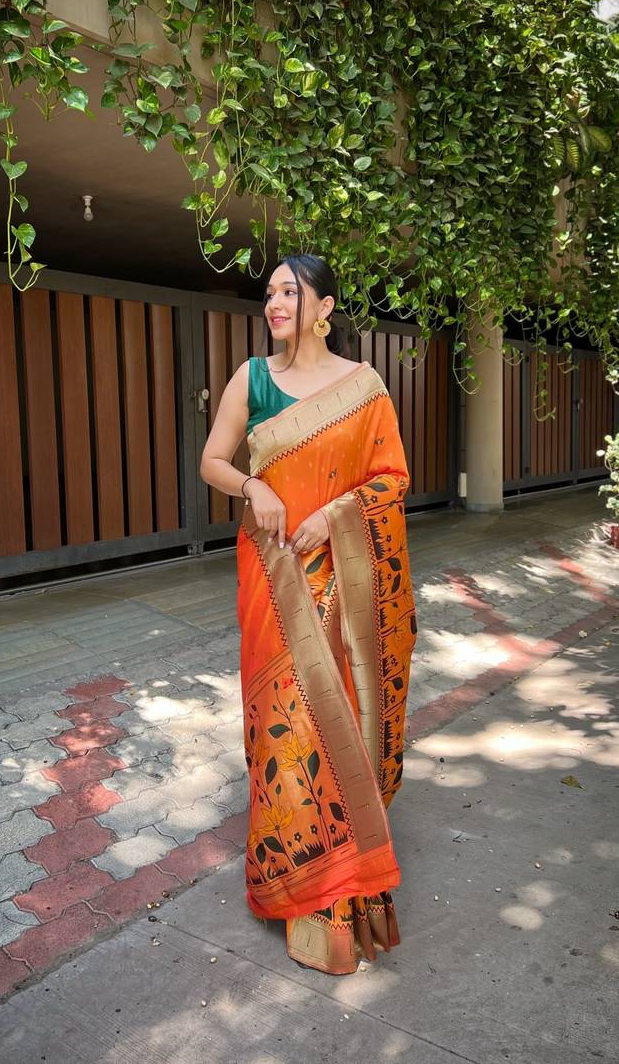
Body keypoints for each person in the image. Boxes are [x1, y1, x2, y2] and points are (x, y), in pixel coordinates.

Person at [200, 253, 417, 975]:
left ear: (325, 306)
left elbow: (391, 478)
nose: (275, 303)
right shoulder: (253, 379)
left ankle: (343, 890)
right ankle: (295, 880)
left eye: (290, 291)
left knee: (340, 720)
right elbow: (212, 460)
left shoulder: (364, 387)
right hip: (272, 576)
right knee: (286, 728)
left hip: (341, 582)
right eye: (268, 294)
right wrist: (250, 489)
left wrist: (333, 515)